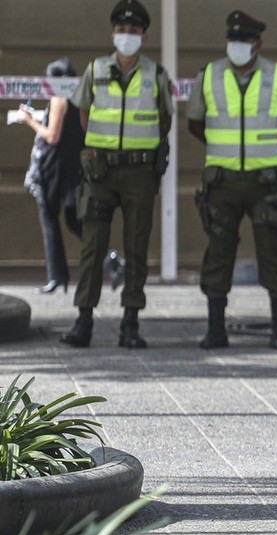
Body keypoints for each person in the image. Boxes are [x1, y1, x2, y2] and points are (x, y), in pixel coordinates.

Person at [186, 10, 277, 350]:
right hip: (222, 181)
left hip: (266, 181)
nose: (237, 45)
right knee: (218, 252)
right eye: (233, 39)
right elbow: (194, 122)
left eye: (245, 39)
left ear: (258, 43)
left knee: (273, 253)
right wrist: (221, 146)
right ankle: (215, 330)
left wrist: (268, 147)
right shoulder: (209, 74)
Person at [60, 0, 174, 348]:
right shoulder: (96, 69)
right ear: (113, 34)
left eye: (133, 31)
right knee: (93, 246)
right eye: (121, 30)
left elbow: (165, 119)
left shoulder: (156, 74)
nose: (127, 36)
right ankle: (84, 321)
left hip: (140, 172)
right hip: (101, 171)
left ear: (144, 35)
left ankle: (130, 323)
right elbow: (84, 115)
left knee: (136, 247)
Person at [15, 58, 85, 295]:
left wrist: (29, 121)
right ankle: (109, 258)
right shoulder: (79, 98)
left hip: (53, 169)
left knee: (49, 219)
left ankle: (57, 276)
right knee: (75, 221)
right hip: (73, 167)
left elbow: (52, 136)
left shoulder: (58, 99)